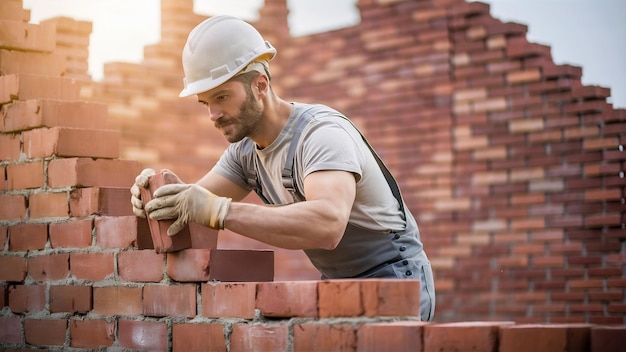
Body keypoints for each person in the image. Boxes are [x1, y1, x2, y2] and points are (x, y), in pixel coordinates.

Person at [130, 15, 435, 321]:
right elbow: (196, 206)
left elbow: (327, 225)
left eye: (222, 97)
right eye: (205, 102)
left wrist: (219, 211)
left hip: (395, 278)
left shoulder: (321, 134)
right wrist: (158, 196)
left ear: (260, 85)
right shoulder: (244, 153)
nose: (213, 114)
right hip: (339, 284)